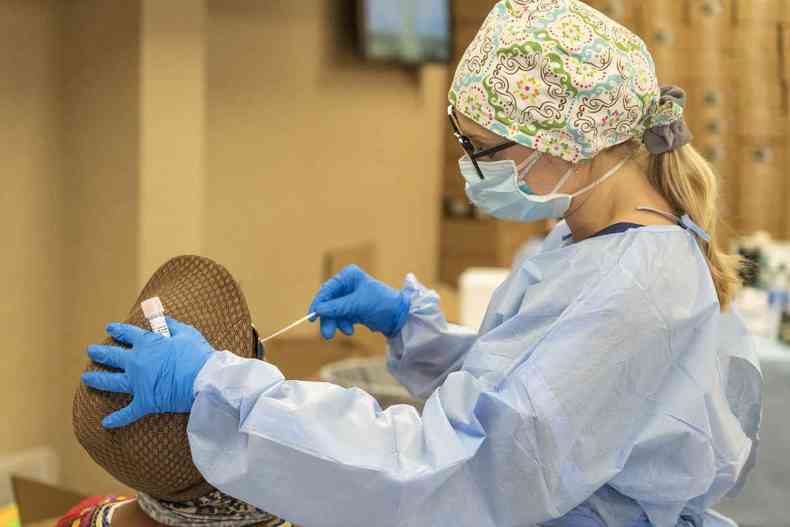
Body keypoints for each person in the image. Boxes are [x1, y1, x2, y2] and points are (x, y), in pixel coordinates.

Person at [82, 1, 762, 526]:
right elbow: (530, 385)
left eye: (484, 149)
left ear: (571, 143)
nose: (469, 167)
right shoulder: (587, 234)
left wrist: (219, 389)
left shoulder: (635, 286)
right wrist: (414, 328)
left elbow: (456, 465)